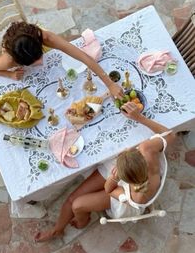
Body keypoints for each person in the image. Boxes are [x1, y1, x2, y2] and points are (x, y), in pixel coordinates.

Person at [34, 101, 176, 242]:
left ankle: (81, 221)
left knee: (76, 204)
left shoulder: (136, 196)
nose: (125, 150)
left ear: (121, 176)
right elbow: (171, 135)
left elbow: (109, 189)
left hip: (123, 198)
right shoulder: (147, 149)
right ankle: (57, 229)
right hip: (127, 177)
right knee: (70, 200)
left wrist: (114, 179)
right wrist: (139, 117)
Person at [0, 21, 123, 99]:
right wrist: (8, 74)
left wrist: (110, 84)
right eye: (33, 62)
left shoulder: (46, 37)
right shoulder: (7, 60)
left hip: (29, 40)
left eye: (39, 57)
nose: (39, 62)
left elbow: (83, 57)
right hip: (14, 48)